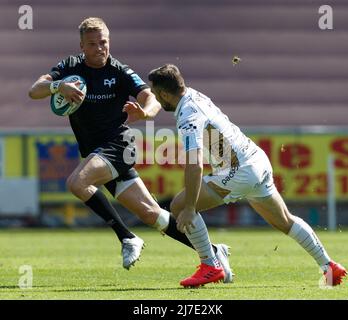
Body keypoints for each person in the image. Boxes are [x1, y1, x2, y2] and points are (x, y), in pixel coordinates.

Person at [28, 17, 232, 286]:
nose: (100, 48)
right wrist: (58, 86)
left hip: (118, 145)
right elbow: (34, 91)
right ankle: (213, 254)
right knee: (152, 214)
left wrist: (145, 112)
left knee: (77, 183)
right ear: (82, 45)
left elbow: (150, 97)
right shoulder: (70, 68)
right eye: (93, 44)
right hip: (97, 153)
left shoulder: (119, 71)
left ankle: (127, 237)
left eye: (104, 42)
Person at [126, 63, 347, 287]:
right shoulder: (194, 95)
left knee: (180, 206)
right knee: (284, 221)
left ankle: (211, 265)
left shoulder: (188, 116)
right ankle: (329, 266)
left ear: (164, 94)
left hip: (239, 171)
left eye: (155, 94)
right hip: (256, 160)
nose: (156, 99)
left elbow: (194, 165)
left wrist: (191, 208)